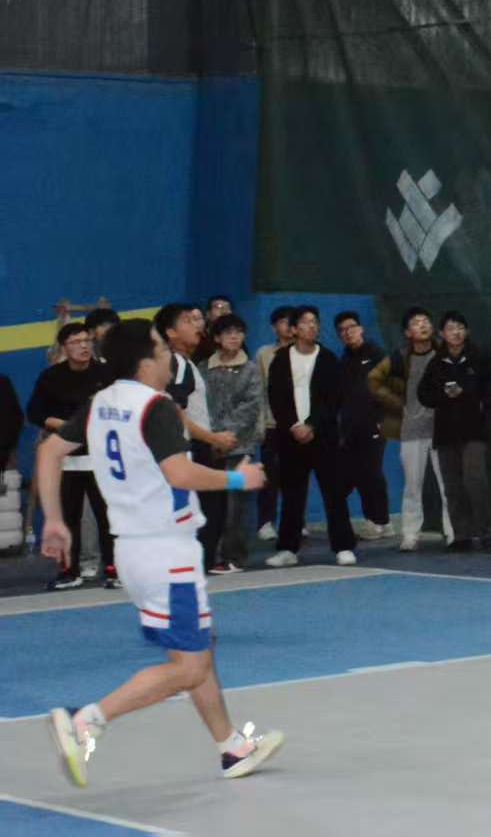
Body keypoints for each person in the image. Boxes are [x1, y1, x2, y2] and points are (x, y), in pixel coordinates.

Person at [36, 319, 284, 788]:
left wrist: (53, 519)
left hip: (133, 550)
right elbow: (180, 475)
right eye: (161, 347)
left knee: (195, 650)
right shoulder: (157, 407)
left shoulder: (101, 403)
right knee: (189, 666)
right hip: (168, 552)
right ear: (145, 361)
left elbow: (49, 452)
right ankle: (86, 721)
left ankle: (231, 746)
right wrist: (239, 479)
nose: (170, 353)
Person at [264, 306, 357, 567]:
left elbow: (333, 398)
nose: (312, 326)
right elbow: (276, 397)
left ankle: (343, 546)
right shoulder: (281, 359)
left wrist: (311, 425)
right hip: (290, 436)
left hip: (323, 435)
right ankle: (287, 549)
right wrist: (294, 425)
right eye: (305, 322)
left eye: (315, 321)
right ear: (294, 329)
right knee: (292, 494)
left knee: (334, 492)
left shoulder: (328, 358)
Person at [27, 323, 116, 590]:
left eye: (87, 340)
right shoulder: (50, 377)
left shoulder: (106, 373)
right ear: (64, 347)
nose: (84, 346)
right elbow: (35, 412)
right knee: (68, 518)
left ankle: (114, 569)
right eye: (76, 342)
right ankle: (69, 571)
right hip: (66, 459)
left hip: (101, 457)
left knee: (108, 517)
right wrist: (67, 428)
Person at [157, 304, 237, 576]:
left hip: (194, 447)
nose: (196, 324)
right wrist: (211, 437)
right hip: (188, 449)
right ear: (170, 332)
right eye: (187, 321)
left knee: (207, 514)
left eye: (196, 319)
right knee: (205, 515)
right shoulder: (177, 363)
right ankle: (194, 571)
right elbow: (173, 410)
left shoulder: (183, 362)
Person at [419, 312, 491, 552]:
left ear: (467, 331)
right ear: (441, 334)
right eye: (450, 328)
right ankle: (461, 535)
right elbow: (423, 394)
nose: (455, 332)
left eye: (460, 327)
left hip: (474, 430)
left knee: (476, 481)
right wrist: (442, 395)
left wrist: (477, 397)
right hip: (445, 432)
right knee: (452, 486)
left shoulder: (480, 357)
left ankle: (486, 534)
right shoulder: (436, 362)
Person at [368, 308, 448, 552]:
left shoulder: (444, 353)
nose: (422, 325)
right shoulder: (400, 357)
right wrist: (398, 403)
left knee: (447, 484)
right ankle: (411, 534)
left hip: (442, 429)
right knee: (413, 486)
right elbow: (373, 380)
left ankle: (453, 532)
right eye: (416, 322)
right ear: (407, 332)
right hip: (412, 429)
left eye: (426, 321)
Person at [203, 315, 265, 573]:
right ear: (217, 337)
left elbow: (251, 406)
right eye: (228, 332)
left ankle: (234, 557)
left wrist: (224, 434)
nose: (234, 336)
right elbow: (199, 405)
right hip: (208, 445)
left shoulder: (251, 369)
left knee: (235, 506)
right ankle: (210, 555)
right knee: (211, 505)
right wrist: (210, 436)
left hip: (240, 446)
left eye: (239, 332)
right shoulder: (203, 368)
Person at [333, 311, 393, 540]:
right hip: (350, 428)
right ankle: (375, 520)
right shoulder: (344, 360)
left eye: (351, 327)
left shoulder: (377, 354)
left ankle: (381, 522)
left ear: (361, 329)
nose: (347, 332)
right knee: (355, 474)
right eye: (342, 330)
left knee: (371, 472)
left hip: (375, 424)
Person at [253, 307, 295, 541]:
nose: (287, 326)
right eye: (282, 322)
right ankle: (265, 522)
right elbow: (258, 390)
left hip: (299, 426)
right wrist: (260, 423)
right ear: (274, 327)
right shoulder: (264, 353)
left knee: (296, 476)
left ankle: (296, 521)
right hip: (271, 424)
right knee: (270, 476)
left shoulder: (306, 352)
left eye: (291, 321)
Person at [193, 296, 235, 365]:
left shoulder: (235, 339)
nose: (224, 311)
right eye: (219, 307)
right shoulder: (197, 338)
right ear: (208, 314)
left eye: (228, 308)